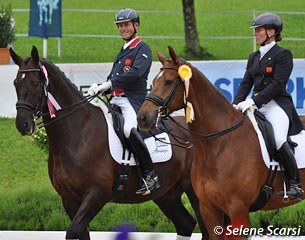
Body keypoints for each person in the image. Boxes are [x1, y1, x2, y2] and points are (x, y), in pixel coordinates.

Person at [88, 8, 160, 195]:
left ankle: (150, 175)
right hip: (116, 100)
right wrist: (101, 88)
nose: (123, 29)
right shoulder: (123, 51)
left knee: (129, 129)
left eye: (126, 25)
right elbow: (114, 77)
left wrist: (109, 83)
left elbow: (135, 75)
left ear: (136, 25)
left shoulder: (142, 49)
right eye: (120, 26)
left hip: (132, 100)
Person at [233, 13, 304, 199]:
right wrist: (235, 104)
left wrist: (253, 101)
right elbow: (246, 83)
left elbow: (277, 85)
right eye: (255, 30)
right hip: (256, 105)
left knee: (279, 139)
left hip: (276, 105)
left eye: (258, 30)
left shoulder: (283, 55)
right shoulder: (253, 56)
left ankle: (295, 184)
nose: (255, 34)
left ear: (271, 32)